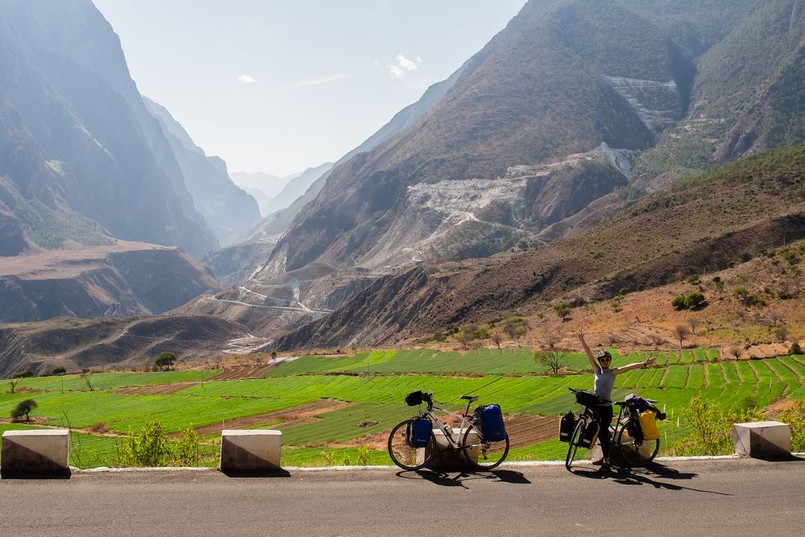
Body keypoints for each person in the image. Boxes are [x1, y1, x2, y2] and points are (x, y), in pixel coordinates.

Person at [577, 330, 655, 468]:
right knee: (592, 426)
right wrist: (582, 340)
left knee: (602, 432)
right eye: (602, 359)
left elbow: (629, 367)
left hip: (606, 408)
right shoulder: (597, 371)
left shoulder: (613, 373)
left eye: (607, 359)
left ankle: (606, 459)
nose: (605, 361)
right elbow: (589, 355)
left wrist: (644, 363)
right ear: (600, 362)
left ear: (610, 361)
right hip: (596, 406)